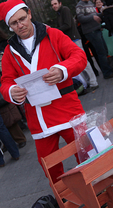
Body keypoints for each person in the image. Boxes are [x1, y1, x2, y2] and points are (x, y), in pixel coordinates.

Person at [0, 0, 86, 183]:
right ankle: (64, 197)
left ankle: (98, 189)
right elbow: (5, 81)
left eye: (22, 19)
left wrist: (62, 70)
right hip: (38, 117)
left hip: (67, 109)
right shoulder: (9, 51)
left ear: (29, 14)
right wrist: (11, 91)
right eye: (14, 23)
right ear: (9, 25)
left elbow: (79, 56)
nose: (20, 25)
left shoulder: (53, 34)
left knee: (87, 154)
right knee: (50, 166)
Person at [51, 0, 99, 92]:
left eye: (55, 4)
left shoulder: (65, 10)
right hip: (69, 40)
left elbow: (67, 25)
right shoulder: (59, 13)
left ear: (60, 3)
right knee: (77, 63)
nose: (54, 6)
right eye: (52, 5)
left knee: (83, 61)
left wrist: (55, 31)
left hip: (74, 38)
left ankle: (93, 82)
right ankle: (88, 82)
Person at [76, 0, 113, 79]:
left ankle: (110, 69)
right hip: (90, 31)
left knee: (105, 50)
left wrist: (103, 12)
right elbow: (80, 18)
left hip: (97, 29)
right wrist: (92, 17)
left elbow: (95, 15)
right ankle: (107, 73)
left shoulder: (90, 3)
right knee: (101, 52)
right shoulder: (80, 6)